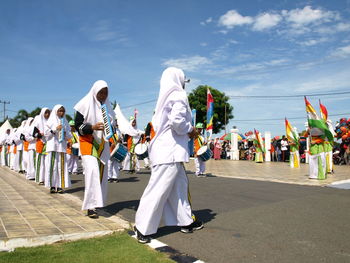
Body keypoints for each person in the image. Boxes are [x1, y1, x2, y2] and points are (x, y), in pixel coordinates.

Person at [134, 67, 203, 244]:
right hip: (169, 152)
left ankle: (186, 221)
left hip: (167, 152)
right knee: (158, 190)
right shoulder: (179, 95)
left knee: (179, 187)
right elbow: (177, 122)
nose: (183, 85)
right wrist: (191, 130)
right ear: (178, 80)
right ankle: (143, 227)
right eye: (183, 81)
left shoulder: (164, 98)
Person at [74, 80, 116, 219]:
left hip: (103, 145)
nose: (103, 95)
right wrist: (92, 127)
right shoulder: (83, 105)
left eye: (105, 93)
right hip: (87, 142)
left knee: (102, 175)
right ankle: (90, 207)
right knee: (92, 172)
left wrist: (112, 132)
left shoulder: (109, 108)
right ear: (94, 92)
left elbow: (114, 126)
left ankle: (100, 205)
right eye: (100, 92)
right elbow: (78, 127)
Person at [44, 105, 72, 193]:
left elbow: (69, 135)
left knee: (61, 166)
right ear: (56, 111)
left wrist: (65, 132)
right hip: (52, 146)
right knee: (52, 166)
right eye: (60, 111)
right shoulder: (50, 122)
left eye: (63, 111)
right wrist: (55, 129)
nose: (61, 113)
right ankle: (52, 185)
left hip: (61, 147)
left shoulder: (65, 122)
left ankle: (60, 186)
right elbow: (46, 135)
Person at [33, 108, 51, 185]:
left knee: (48, 162)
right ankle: (40, 179)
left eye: (48, 113)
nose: (47, 114)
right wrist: (40, 134)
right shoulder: (38, 123)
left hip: (49, 143)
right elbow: (34, 134)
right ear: (42, 113)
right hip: (40, 143)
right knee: (40, 163)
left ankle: (47, 179)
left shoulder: (51, 122)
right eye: (45, 113)